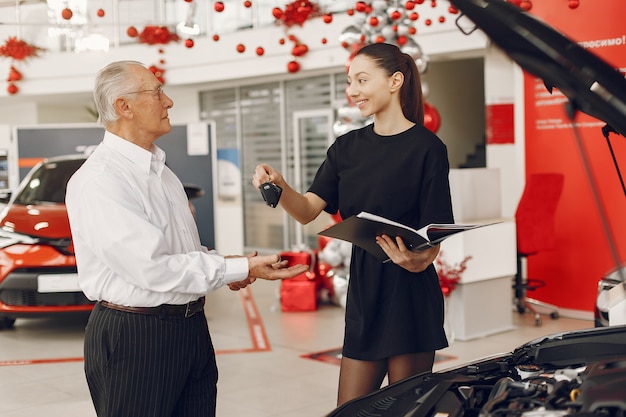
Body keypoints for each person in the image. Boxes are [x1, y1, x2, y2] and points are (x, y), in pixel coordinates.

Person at [65, 60, 308, 417]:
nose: (168, 102)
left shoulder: (162, 174)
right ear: (124, 106)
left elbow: (182, 253)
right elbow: (152, 268)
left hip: (189, 328)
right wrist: (233, 267)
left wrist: (236, 267)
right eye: (157, 91)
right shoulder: (100, 180)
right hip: (136, 337)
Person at [252, 42, 454, 406]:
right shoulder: (345, 149)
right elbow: (307, 209)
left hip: (410, 295)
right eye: (350, 81)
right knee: (350, 410)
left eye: (362, 80)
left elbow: (434, 231)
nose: (353, 91)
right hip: (365, 292)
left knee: (406, 411)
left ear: (395, 81)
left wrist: (421, 259)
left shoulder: (428, 148)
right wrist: (281, 188)